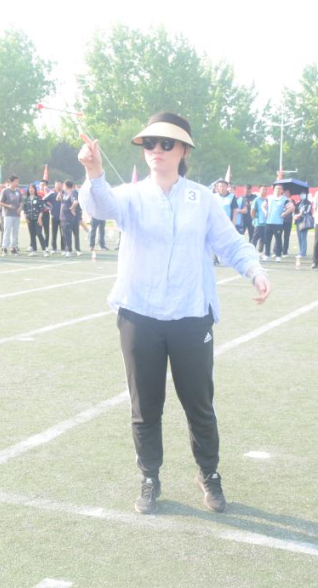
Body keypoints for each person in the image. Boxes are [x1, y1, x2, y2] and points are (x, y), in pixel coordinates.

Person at [78, 111, 270, 516]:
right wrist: (94, 172)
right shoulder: (130, 196)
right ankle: (149, 477)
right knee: (145, 405)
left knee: (199, 403)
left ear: (184, 151)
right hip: (139, 314)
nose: (157, 150)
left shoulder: (202, 198)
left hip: (190, 313)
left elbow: (230, 243)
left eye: (167, 144)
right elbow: (99, 205)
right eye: (150, 143)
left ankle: (209, 474)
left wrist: (255, 271)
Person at [0, 175, 23, 255]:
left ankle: (13, 248)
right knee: (7, 231)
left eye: (17, 181)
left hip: (17, 215)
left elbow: (21, 201)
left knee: (15, 232)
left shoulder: (18, 191)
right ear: (11, 182)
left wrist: (20, 208)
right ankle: (4, 248)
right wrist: (8, 206)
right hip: (8, 214)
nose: (17, 183)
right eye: (15, 181)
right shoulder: (5, 191)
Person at [59, 180, 80, 257]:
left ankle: (69, 250)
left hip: (68, 217)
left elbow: (75, 202)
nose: (62, 186)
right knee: (64, 234)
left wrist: (71, 208)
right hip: (62, 217)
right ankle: (66, 248)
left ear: (66, 185)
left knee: (68, 234)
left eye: (63, 185)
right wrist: (60, 193)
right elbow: (58, 199)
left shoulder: (72, 192)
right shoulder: (65, 193)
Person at [24, 183, 46, 255]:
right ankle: (34, 251)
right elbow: (25, 210)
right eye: (29, 188)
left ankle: (45, 250)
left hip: (37, 219)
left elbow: (41, 209)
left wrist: (40, 218)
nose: (31, 190)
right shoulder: (26, 199)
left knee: (39, 233)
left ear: (35, 189)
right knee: (32, 235)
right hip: (30, 220)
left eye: (32, 188)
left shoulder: (39, 198)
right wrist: (26, 218)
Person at [41, 180, 60, 255]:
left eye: (59, 184)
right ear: (55, 186)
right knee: (54, 233)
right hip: (54, 216)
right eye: (57, 185)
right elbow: (43, 200)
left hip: (63, 217)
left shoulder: (64, 193)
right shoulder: (52, 194)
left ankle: (63, 249)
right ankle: (54, 248)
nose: (58, 186)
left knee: (63, 234)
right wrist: (49, 208)